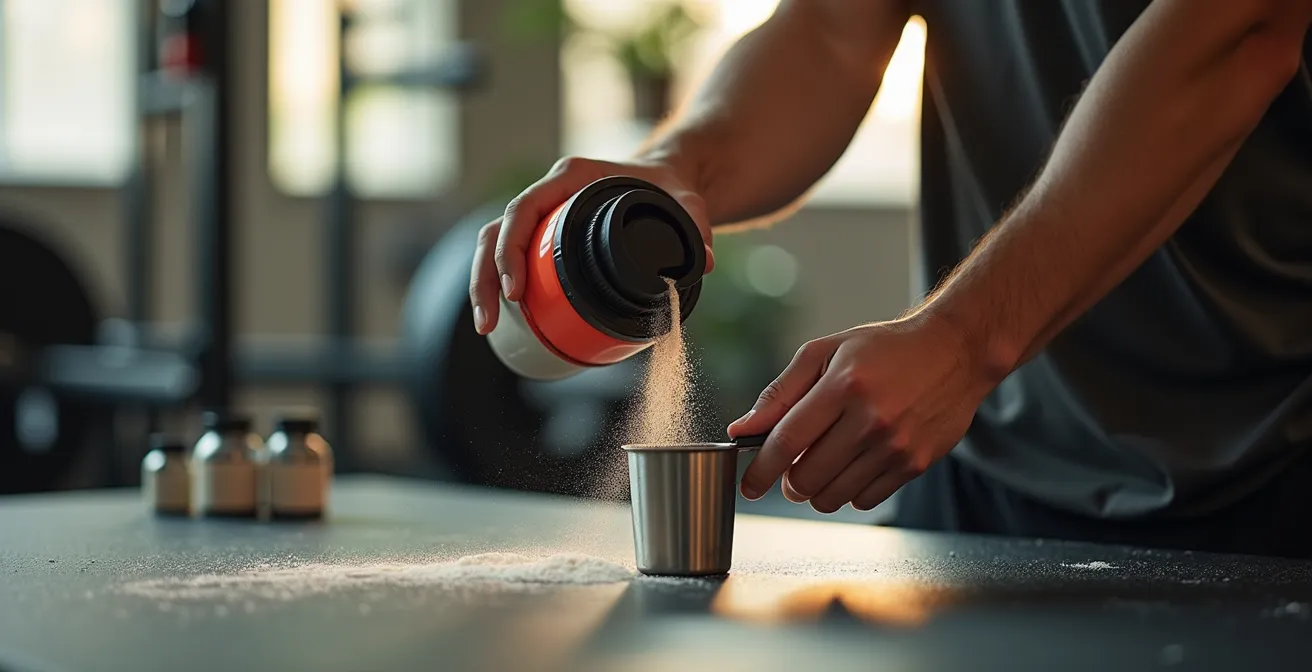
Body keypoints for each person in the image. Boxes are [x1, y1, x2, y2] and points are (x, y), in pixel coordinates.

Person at [469, 0, 1312, 558]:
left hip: (1263, 450)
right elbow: (835, 29)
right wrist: (675, 166)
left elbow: (1240, 33)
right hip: (985, 471)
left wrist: (967, 339)